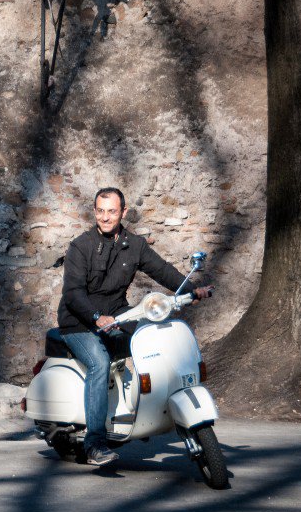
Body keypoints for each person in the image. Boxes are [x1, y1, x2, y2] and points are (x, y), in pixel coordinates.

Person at [58, 187, 212, 466]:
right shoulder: (80, 246)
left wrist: (191, 290)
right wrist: (95, 317)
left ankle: (152, 411)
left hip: (117, 313)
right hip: (78, 322)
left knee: (152, 340)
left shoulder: (135, 244)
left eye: (112, 211)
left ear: (123, 212)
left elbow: (162, 269)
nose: (105, 217)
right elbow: (72, 294)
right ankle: (94, 444)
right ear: (95, 212)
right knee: (99, 363)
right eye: (100, 211)